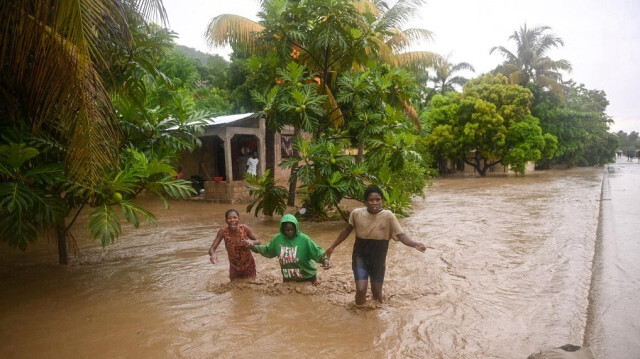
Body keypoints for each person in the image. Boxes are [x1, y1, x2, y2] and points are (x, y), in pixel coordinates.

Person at [324, 186, 432, 305]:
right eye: (371, 200)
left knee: (376, 294)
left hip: (378, 259)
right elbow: (346, 231)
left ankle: (376, 319)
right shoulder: (356, 214)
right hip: (360, 257)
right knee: (360, 290)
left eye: (378, 199)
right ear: (365, 201)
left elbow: (401, 235)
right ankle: (359, 318)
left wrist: (414, 244)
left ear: (381, 200)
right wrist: (333, 246)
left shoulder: (388, 216)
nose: (375, 203)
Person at [248, 214, 329, 285]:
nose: (290, 232)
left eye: (292, 230)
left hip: (308, 278)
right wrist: (252, 246)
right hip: (288, 279)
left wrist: (325, 260)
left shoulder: (304, 239)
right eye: (287, 230)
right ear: (282, 229)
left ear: (296, 228)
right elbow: (267, 250)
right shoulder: (277, 239)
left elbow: (317, 251)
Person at [209, 209, 261, 280]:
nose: (232, 220)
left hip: (248, 265)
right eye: (229, 218)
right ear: (226, 220)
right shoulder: (223, 232)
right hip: (234, 267)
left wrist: (252, 242)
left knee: (251, 286)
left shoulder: (245, 229)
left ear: (238, 219)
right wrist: (213, 255)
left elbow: (258, 241)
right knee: (234, 289)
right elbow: (211, 249)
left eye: (235, 217)